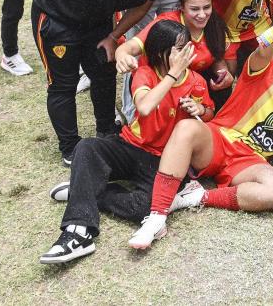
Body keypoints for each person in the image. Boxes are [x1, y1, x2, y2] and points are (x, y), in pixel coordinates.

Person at [126, 6, 273, 250]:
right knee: (186, 127)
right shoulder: (263, 68)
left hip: (248, 160)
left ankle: (195, 196)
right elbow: (263, 48)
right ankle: (157, 217)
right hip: (221, 138)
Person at [39, 20, 213, 264]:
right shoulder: (145, 72)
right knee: (87, 146)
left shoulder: (195, 81)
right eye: (178, 48)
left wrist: (201, 108)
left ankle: (85, 188)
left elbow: (208, 114)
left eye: (187, 47)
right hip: (131, 146)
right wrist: (172, 76)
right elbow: (144, 106)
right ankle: (78, 232)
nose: (185, 54)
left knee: (147, 208)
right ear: (160, 51)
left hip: (162, 161)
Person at [32, 0, 176, 165]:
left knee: (104, 71)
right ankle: (70, 147)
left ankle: (106, 130)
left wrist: (113, 36)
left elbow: (142, 6)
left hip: (96, 20)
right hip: (57, 13)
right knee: (63, 83)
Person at [116, 0, 232, 114]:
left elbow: (216, 57)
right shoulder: (165, 24)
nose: (202, 14)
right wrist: (122, 57)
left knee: (222, 92)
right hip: (158, 80)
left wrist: (223, 74)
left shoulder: (214, 24)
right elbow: (126, 49)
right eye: (194, 9)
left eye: (206, 7)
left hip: (190, 81)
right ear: (181, 7)